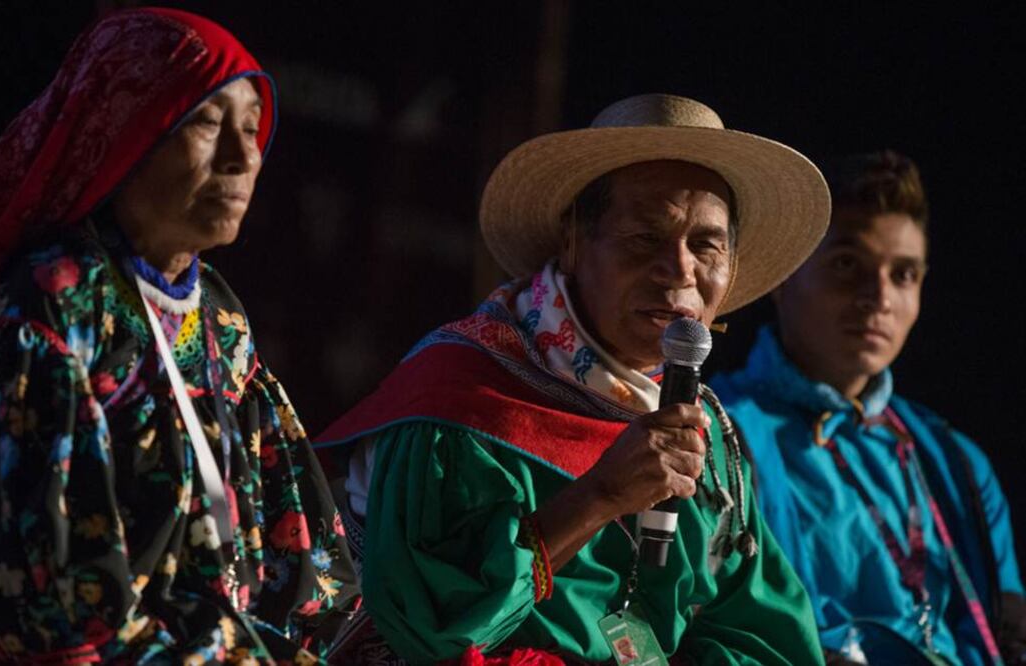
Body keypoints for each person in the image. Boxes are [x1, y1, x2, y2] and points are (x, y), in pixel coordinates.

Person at [316, 94, 831, 664]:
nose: (680, 269)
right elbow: (430, 626)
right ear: (573, 240)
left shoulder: (705, 435)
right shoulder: (456, 400)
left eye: (706, 245)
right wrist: (600, 496)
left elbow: (761, 635)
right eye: (644, 238)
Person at [0, 9, 358, 664]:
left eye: (251, 129)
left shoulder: (216, 311)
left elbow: (293, 531)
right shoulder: (55, 307)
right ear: (122, 133)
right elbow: (57, 603)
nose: (242, 156)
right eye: (205, 121)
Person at [711, 150, 1026, 665]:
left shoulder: (955, 461)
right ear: (782, 276)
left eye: (903, 275)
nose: (878, 296)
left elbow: (1006, 634)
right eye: (846, 265)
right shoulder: (717, 434)